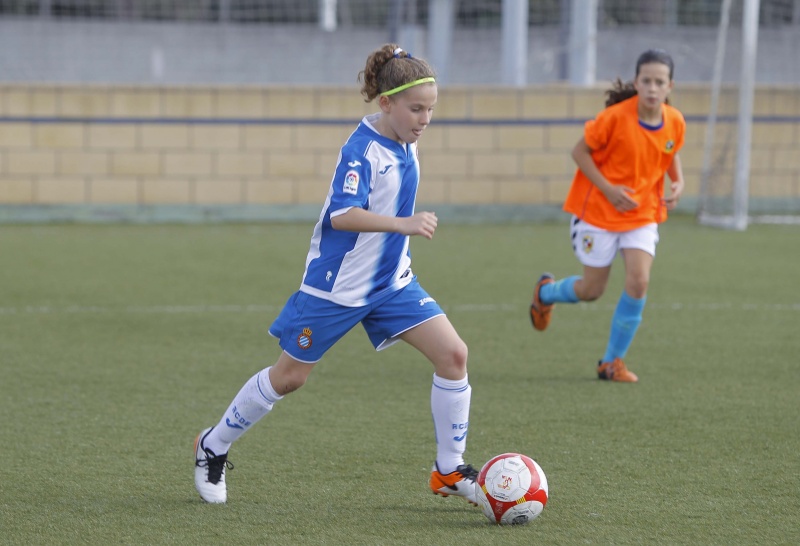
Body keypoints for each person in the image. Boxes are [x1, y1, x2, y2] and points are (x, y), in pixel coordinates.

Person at [194, 44, 478, 506]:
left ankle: (448, 468)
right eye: (416, 109)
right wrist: (404, 224)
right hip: (337, 287)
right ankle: (213, 444)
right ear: (385, 103)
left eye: (431, 109)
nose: (425, 119)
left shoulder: (406, 136)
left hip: (392, 284)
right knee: (289, 378)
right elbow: (342, 216)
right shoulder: (360, 151)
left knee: (454, 355)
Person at [529, 49, 686, 383]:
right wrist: (609, 189)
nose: (653, 88)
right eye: (647, 81)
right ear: (636, 82)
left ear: (670, 86)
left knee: (639, 281)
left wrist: (678, 181)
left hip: (642, 212)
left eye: (660, 82)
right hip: (598, 213)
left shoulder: (675, 120)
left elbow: (669, 149)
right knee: (592, 290)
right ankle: (546, 293)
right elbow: (579, 152)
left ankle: (611, 362)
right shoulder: (614, 118)